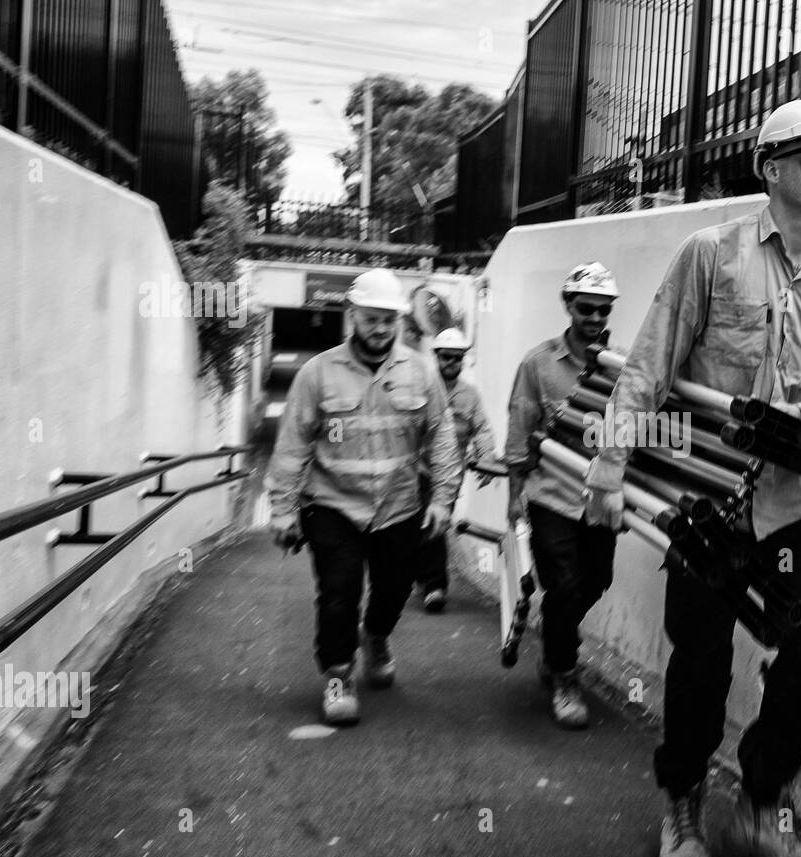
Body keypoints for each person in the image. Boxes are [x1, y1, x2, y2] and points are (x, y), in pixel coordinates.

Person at [581, 99, 801, 857]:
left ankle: (759, 805)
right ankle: (683, 802)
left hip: (795, 504)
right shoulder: (709, 254)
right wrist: (610, 465)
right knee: (701, 662)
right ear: (770, 167)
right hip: (706, 504)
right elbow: (650, 365)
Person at [265, 267, 463, 726]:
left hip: (398, 508)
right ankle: (338, 674)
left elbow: (442, 437)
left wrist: (443, 500)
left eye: (388, 320)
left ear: (398, 321)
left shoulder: (419, 372)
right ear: (353, 315)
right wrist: (282, 510)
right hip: (333, 505)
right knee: (338, 593)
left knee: (393, 590)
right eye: (371, 318)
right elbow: (292, 445)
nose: (380, 328)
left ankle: (376, 636)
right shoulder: (318, 373)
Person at [504, 262, 621, 729]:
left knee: (594, 583)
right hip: (550, 496)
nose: (595, 317)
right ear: (568, 306)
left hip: (599, 500)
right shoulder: (538, 365)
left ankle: (553, 650)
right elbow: (519, 432)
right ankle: (566, 676)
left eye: (603, 310)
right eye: (586, 308)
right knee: (564, 586)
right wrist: (515, 497)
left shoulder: (623, 368)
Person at [415, 327, 497, 611]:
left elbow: (483, 429)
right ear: (436, 357)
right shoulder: (421, 388)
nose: (451, 363)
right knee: (416, 526)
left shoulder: (470, 396)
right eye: (446, 357)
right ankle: (423, 576)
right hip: (416, 471)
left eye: (457, 358)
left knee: (436, 524)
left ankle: (435, 586)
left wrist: (487, 457)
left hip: (449, 474)